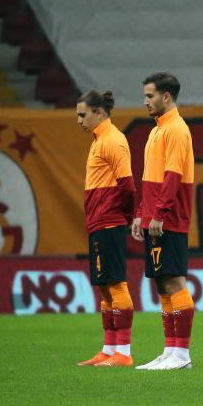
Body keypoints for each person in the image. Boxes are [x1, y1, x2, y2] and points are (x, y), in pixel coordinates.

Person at [132, 72, 196, 371]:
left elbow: (173, 176)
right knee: (162, 282)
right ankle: (170, 350)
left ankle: (181, 354)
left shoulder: (177, 129)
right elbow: (150, 178)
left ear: (166, 96)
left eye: (150, 96)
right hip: (154, 216)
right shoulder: (157, 130)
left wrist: (158, 213)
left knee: (173, 279)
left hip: (169, 217)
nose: (145, 101)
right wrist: (141, 213)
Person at [76, 90, 136, 368]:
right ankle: (109, 349)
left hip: (110, 221)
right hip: (100, 221)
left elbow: (127, 185)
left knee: (115, 283)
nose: (79, 120)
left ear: (99, 112)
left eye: (82, 114)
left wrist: (127, 216)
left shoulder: (113, 140)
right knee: (105, 286)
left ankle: (123, 352)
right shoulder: (100, 140)